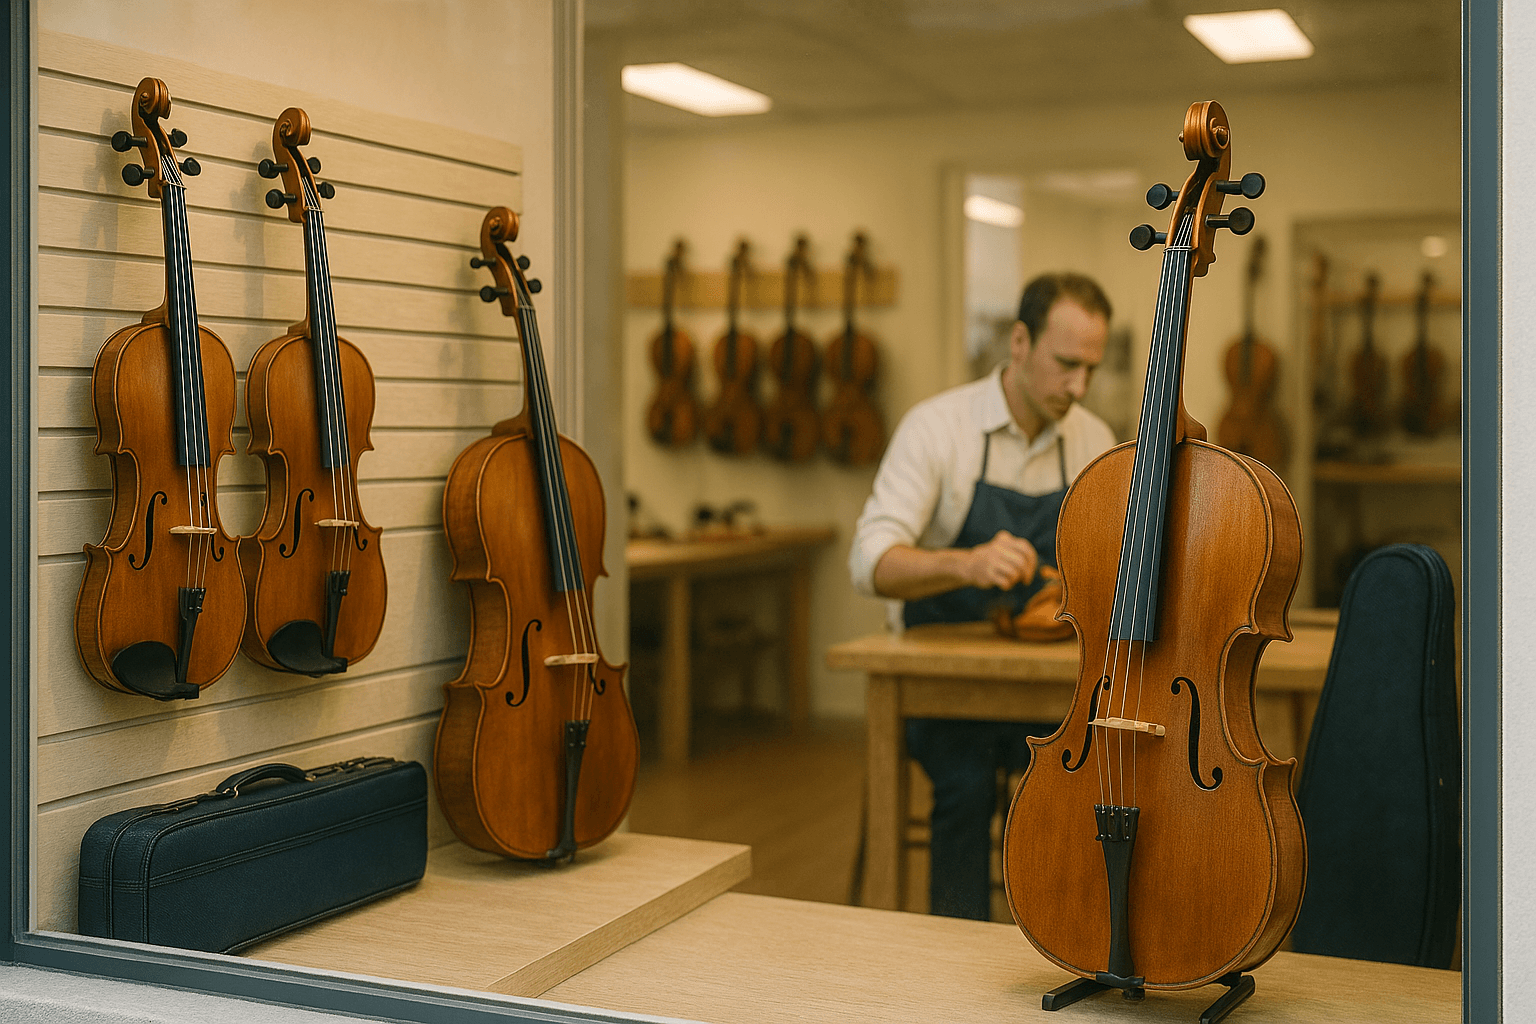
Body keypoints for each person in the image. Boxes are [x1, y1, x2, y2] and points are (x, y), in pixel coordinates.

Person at [848, 272, 1116, 920]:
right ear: (1019, 342)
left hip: (1045, 686)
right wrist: (966, 563)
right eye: (1067, 365)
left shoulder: (1094, 440)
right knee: (966, 787)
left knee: (1096, 780)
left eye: (1091, 369)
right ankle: (952, 966)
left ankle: (1066, 941)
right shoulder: (937, 427)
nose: (1078, 388)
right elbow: (869, 563)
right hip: (943, 690)